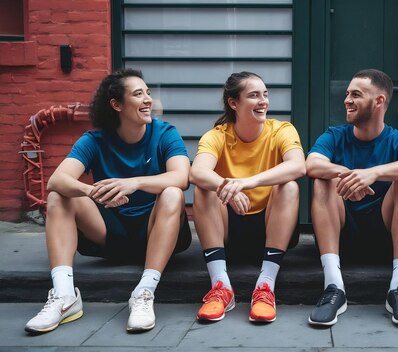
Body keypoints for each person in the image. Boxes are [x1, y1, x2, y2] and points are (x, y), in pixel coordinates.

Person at [24, 68, 192, 333]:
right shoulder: (94, 139)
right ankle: (65, 295)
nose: (148, 99)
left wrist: (135, 182)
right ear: (116, 105)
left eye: (148, 92)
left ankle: (144, 293)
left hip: (155, 230)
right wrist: (93, 192)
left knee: (173, 192)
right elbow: (56, 180)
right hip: (109, 230)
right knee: (60, 195)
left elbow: (182, 177)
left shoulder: (164, 133)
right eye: (138, 94)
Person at [306, 69, 398, 326]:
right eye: (347, 94)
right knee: (322, 180)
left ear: (379, 101)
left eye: (356, 95)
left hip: (386, 237)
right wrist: (349, 176)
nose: (347, 100)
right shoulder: (335, 135)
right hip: (341, 235)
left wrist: (371, 174)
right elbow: (312, 164)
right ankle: (333, 287)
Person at [190, 72, 305, 323]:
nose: (263, 101)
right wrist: (226, 187)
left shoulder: (281, 130)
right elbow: (196, 172)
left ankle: (265, 287)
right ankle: (221, 287)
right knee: (203, 188)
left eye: (265, 94)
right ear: (234, 103)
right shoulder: (218, 135)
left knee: (289, 186)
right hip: (228, 229)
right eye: (254, 95)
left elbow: (298, 166)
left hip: (270, 228)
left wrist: (246, 182)